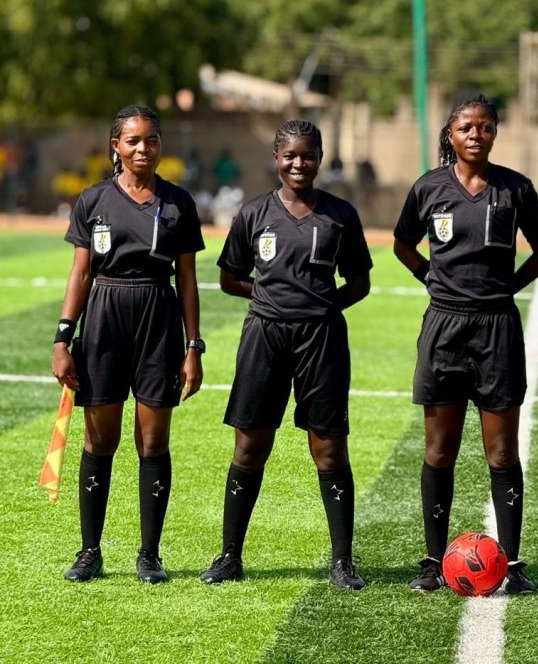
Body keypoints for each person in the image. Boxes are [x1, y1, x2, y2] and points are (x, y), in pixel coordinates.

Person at [393, 94, 538, 593]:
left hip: (496, 327)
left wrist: (511, 285)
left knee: (502, 452)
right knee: (439, 449)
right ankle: (431, 561)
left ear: (495, 133)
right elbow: (402, 243)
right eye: (466, 127)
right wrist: (429, 276)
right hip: (444, 327)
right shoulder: (429, 187)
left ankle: (512, 563)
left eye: (485, 127)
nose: (475, 135)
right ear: (451, 134)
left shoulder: (515, 188)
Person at [200, 120, 372, 589]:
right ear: (276, 158)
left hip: (322, 339)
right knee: (250, 445)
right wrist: (269, 298)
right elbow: (229, 278)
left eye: (307, 155)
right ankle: (230, 556)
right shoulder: (254, 213)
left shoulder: (340, 215)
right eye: (290, 155)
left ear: (320, 158)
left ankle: (342, 562)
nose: (299, 163)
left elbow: (359, 283)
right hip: (264, 337)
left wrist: (320, 307)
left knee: (329, 448)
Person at [52, 105, 205, 583]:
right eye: (133, 140)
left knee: (153, 441)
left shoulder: (178, 202)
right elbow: (81, 273)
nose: (143, 148)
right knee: (100, 440)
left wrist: (194, 346)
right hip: (105, 318)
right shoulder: (93, 199)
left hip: (159, 318)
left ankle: (149, 555)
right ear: (115, 146)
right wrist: (63, 337)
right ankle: (89, 552)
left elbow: (187, 279)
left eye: (151, 139)